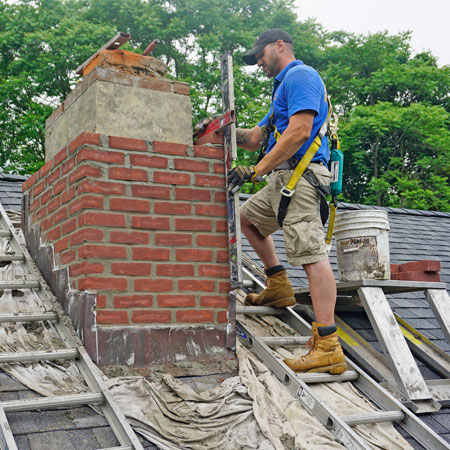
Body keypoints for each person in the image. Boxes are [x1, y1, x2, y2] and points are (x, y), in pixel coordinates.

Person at [228, 28, 346, 375]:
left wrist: (257, 170)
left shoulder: (301, 76)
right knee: (246, 218)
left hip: (303, 178)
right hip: (283, 179)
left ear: (279, 46)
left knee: (311, 255)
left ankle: (327, 345)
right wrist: (222, 130)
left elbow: (299, 132)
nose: (259, 63)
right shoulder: (282, 89)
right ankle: (278, 285)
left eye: (260, 55)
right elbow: (253, 139)